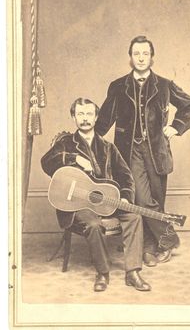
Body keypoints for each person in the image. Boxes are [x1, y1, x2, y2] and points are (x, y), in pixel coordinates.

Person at [95, 35, 190, 267]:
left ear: (152, 57)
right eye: (136, 54)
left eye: (145, 54)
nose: (140, 58)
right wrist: (84, 139)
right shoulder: (118, 86)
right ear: (130, 57)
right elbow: (104, 120)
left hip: (157, 152)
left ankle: (149, 247)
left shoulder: (164, 85)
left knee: (155, 200)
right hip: (129, 152)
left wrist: (176, 127)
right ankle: (169, 239)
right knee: (140, 198)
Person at [41, 97, 151, 292]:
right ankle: (102, 273)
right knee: (93, 224)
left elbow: (126, 177)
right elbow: (46, 162)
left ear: (96, 117)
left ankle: (132, 272)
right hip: (77, 205)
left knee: (134, 216)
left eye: (89, 114)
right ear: (74, 117)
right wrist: (74, 158)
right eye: (80, 114)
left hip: (106, 201)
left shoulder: (108, 147)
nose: (85, 118)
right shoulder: (66, 143)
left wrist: (125, 196)